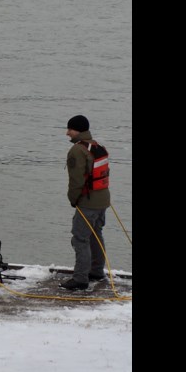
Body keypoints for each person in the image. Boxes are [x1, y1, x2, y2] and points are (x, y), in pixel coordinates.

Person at [61, 115, 111, 291]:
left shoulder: (77, 150)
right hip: (103, 200)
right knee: (96, 234)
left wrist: (73, 200)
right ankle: (97, 271)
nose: (67, 133)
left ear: (78, 130)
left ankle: (81, 278)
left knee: (80, 238)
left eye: (70, 129)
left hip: (87, 203)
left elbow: (76, 181)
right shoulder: (98, 147)